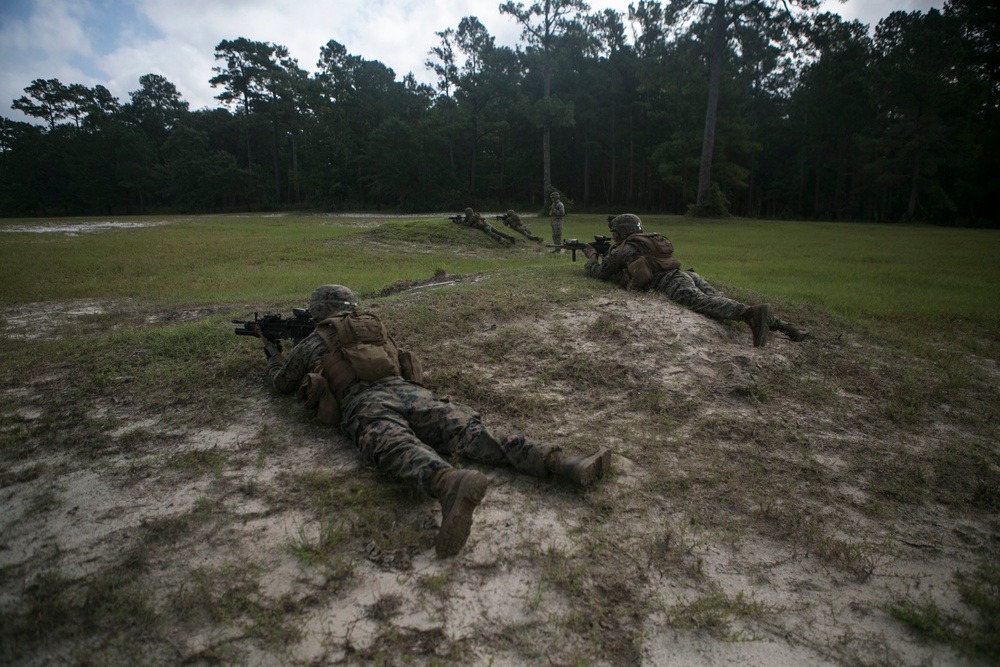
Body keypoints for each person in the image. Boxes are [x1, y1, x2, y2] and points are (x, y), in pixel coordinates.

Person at [265, 285, 611, 557]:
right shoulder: (377, 331)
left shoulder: (314, 340)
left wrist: (272, 356)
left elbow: (282, 384)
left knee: (393, 444)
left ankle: (447, 482)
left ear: (318, 313)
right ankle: (562, 462)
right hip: (410, 392)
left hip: (365, 402)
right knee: (472, 432)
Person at [581, 214, 808, 347]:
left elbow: (600, 274)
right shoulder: (644, 241)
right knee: (717, 297)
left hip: (669, 281)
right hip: (686, 274)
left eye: (614, 233)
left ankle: (750, 313)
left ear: (620, 233)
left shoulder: (623, 249)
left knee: (702, 303)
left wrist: (591, 256)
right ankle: (787, 327)